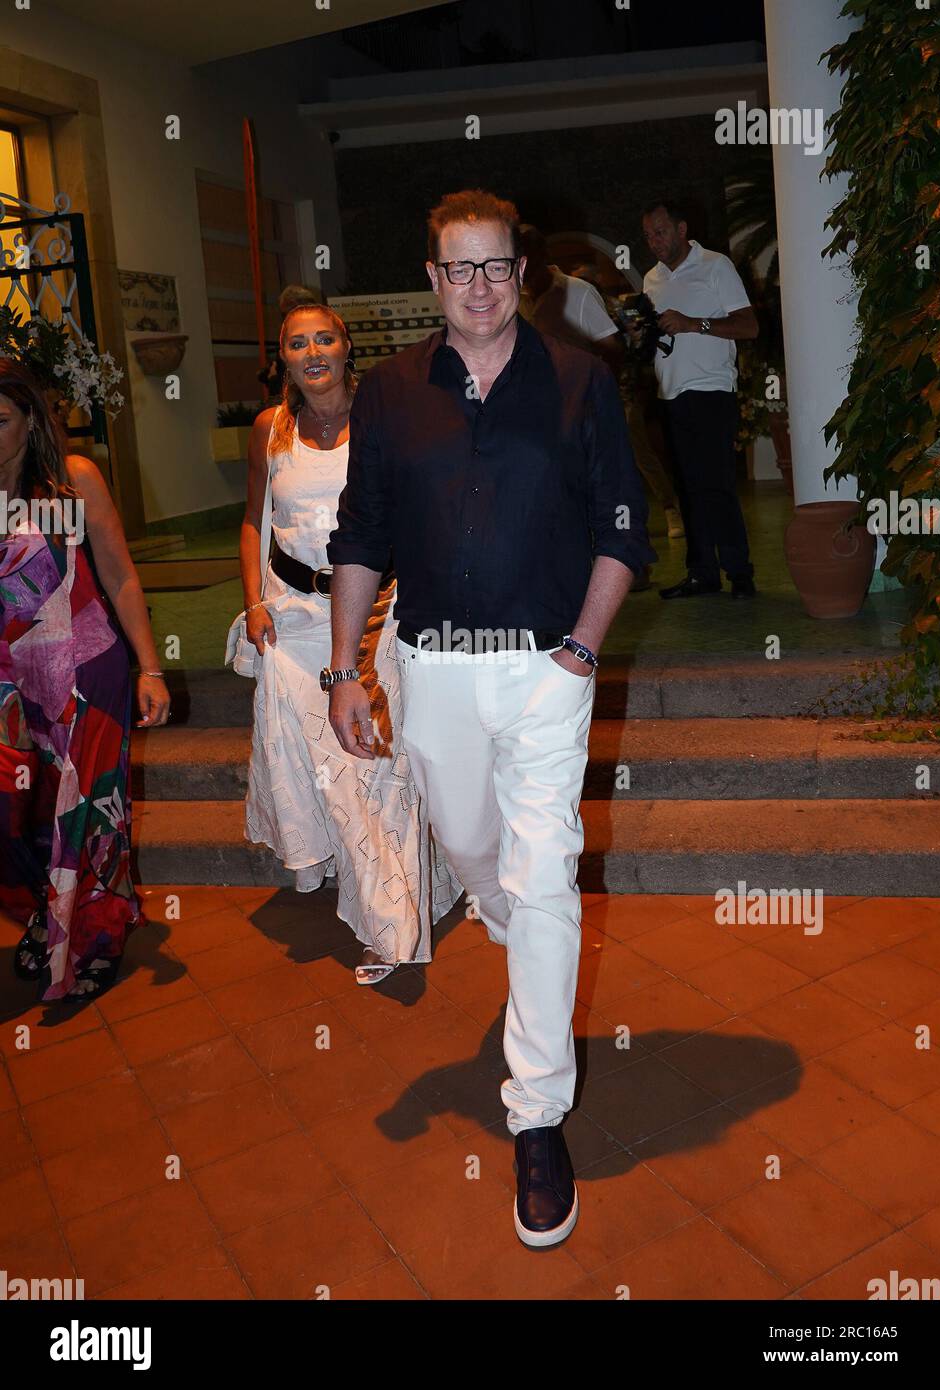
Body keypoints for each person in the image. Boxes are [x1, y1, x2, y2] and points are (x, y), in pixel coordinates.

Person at [326, 188, 656, 1247]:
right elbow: (360, 532)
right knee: (478, 854)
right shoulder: (386, 392)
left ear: (525, 273)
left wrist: (582, 651)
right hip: (432, 668)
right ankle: (510, 913)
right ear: (431, 280)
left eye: (496, 266)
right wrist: (343, 671)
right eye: (458, 268)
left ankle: (538, 1113)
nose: (479, 285)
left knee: (546, 869)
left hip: (544, 667)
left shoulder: (578, 383)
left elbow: (622, 525)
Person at [234, 292, 463, 985]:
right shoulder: (270, 429)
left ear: (346, 345)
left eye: (324, 340)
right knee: (327, 768)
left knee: (369, 767)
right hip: (294, 617)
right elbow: (252, 520)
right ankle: (392, 886)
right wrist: (253, 602)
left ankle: (390, 927)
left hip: (379, 613)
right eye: (298, 344)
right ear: (284, 357)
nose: (313, 355)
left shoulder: (386, 419)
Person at [0, 358, 170, 1002]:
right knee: (14, 810)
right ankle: (48, 907)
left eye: (0, 420)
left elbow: (121, 575)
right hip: (7, 683)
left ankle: (97, 933)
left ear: (31, 420)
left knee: (92, 813)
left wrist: (150, 667)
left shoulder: (71, 482)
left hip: (84, 672)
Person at [520, 226, 684, 549]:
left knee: (631, 456)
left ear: (537, 259)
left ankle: (666, 513)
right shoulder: (516, 299)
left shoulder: (577, 292)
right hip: (550, 410)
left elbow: (612, 350)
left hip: (602, 398)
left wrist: (593, 395)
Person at [641, 198, 759, 599]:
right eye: (648, 236)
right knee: (687, 487)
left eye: (660, 232)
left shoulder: (715, 265)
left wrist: (694, 324)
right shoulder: (650, 279)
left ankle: (739, 572)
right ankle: (701, 573)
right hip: (670, 392)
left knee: (717, 484)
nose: (654, 241)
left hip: (711, 390)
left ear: (681, 229)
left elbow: (749, 326)